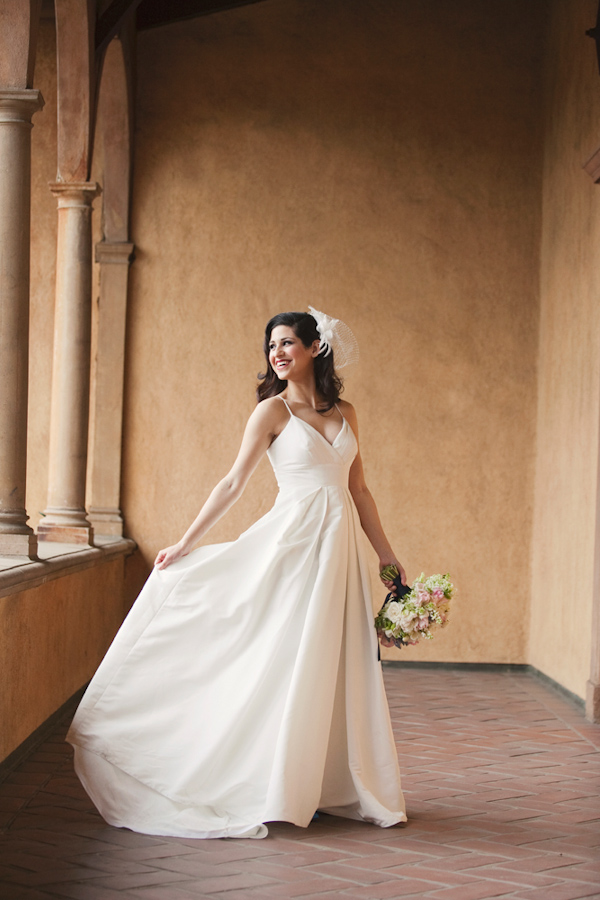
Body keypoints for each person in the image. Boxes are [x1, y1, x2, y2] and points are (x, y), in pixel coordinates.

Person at [67, 308, 408, 840]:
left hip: (338, 550)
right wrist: (184, 543)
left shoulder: (347, 412)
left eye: (288, 342)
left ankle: (321, 783)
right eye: (272, 346)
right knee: (281, 658)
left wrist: (386, 555)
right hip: (293, 546)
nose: (277, 353)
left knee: (331, 660)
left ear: (316, 348)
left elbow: (358, 489)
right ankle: (270, 783)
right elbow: (232, 483)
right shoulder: (272, 412)